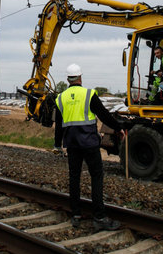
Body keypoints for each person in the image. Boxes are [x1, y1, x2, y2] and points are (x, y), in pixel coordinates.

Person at [54, 63, 128, 231]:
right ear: (80, 77)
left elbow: (58, 125)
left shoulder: (61, 98)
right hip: (89, 143)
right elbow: (103, 114)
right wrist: (119, 128)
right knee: (96, 176)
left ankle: (76, 214)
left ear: (68, 79)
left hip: (72, 144)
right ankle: (99, 216)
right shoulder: (89, 94)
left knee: (74, 177)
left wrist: (57, 145)